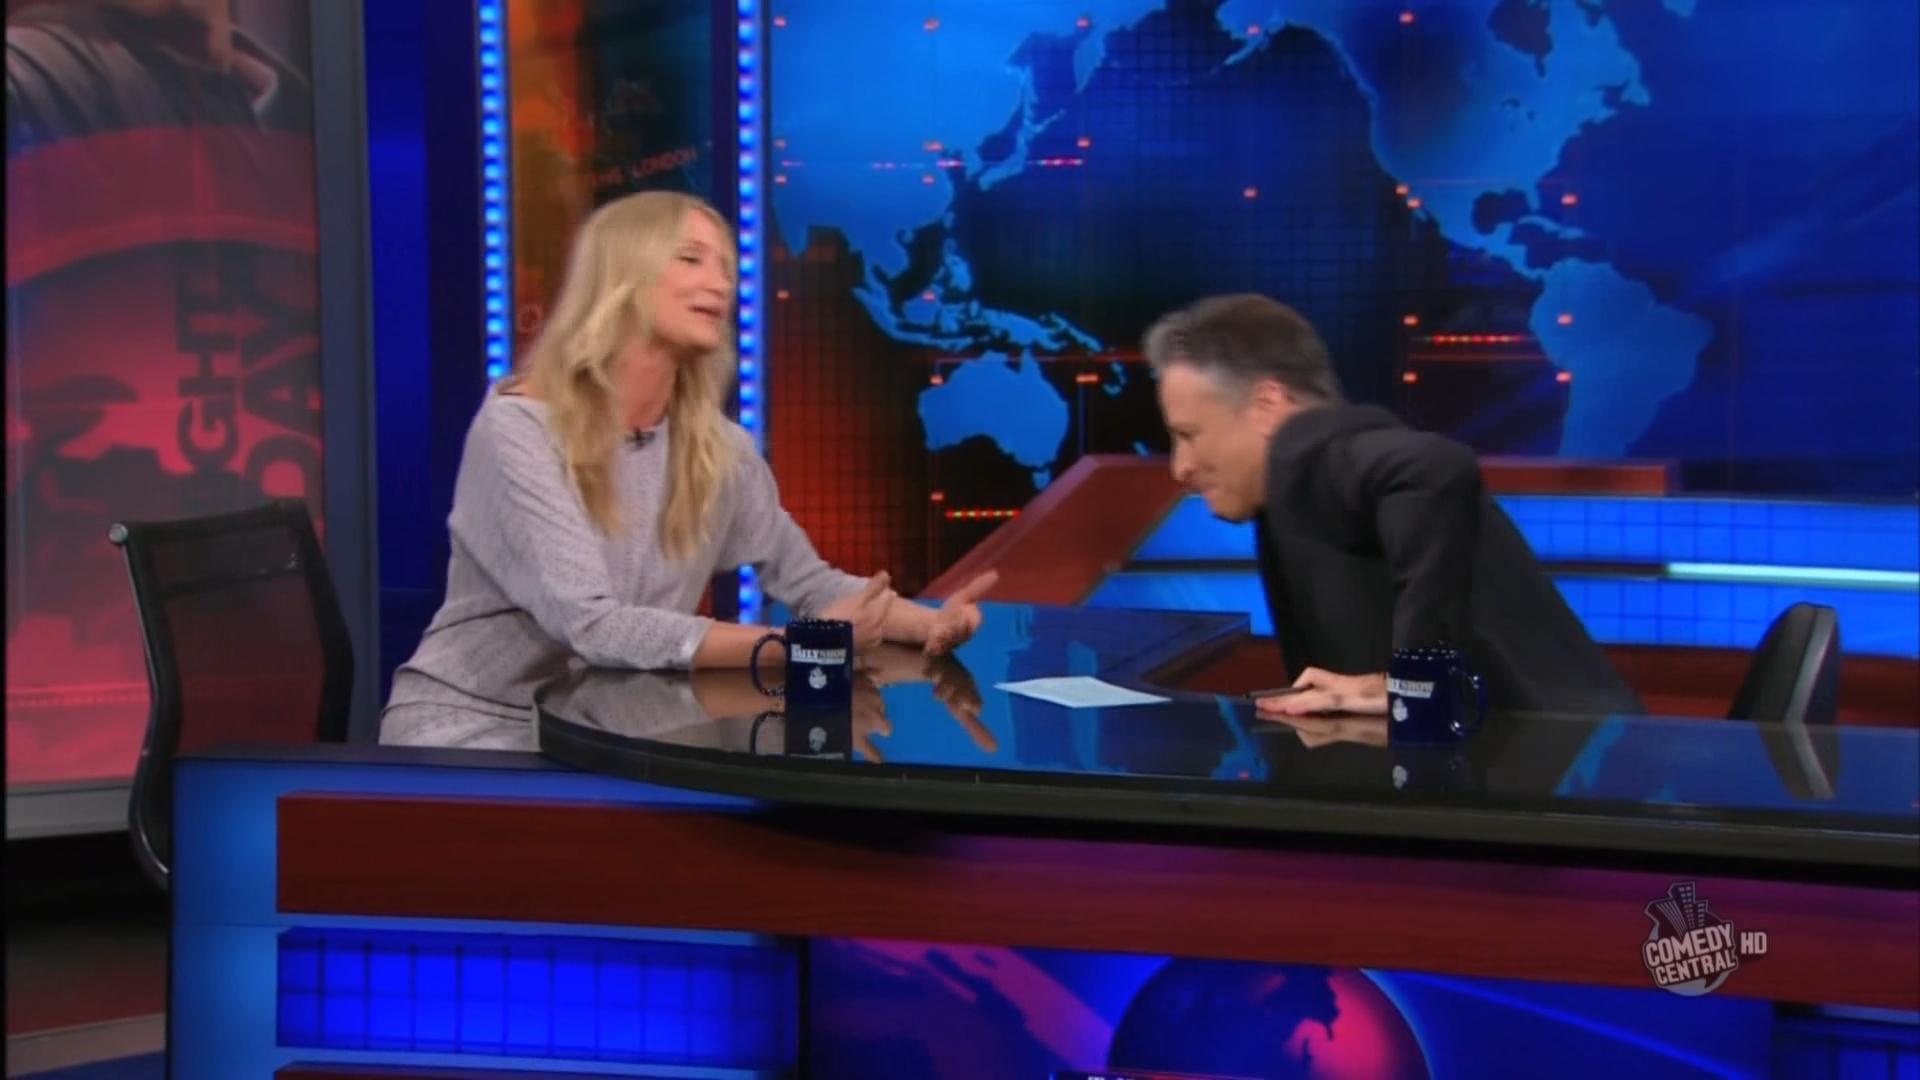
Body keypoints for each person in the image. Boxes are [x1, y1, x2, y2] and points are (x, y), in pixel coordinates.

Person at [382, 191, 997, 746]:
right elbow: (592, 625)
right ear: (622, 275)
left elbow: (809, 584)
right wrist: (796, 649)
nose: (720, 282)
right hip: (482, 727)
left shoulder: (716, 447)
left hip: (612, 731)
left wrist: (929, 623)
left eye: (726, 266)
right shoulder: (519, 430)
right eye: (691, 259)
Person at [1145, 293, 1641, 721]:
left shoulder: (1311, 449)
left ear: (1267, 405)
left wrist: (1418, 681)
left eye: (1189, 434)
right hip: (1568, 762)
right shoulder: (1291, 487)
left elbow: (1434, 467)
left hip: (1572, 773)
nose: (1180, 467)